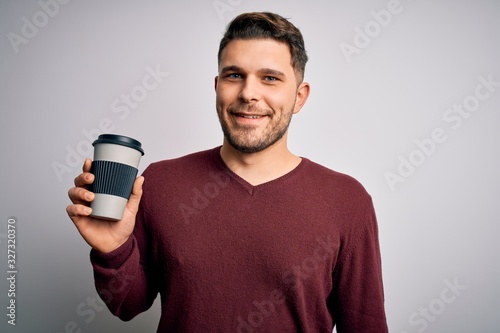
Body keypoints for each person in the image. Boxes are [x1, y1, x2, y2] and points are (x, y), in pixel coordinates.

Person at [67, 11, 388, 333]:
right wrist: (111, 247)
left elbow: (365, 324)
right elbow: (127, 305)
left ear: (299, 97)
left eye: (270, 78)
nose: (248, 93)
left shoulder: (346, 200)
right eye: (235, 76)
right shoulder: (161, 183)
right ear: (217, 86)